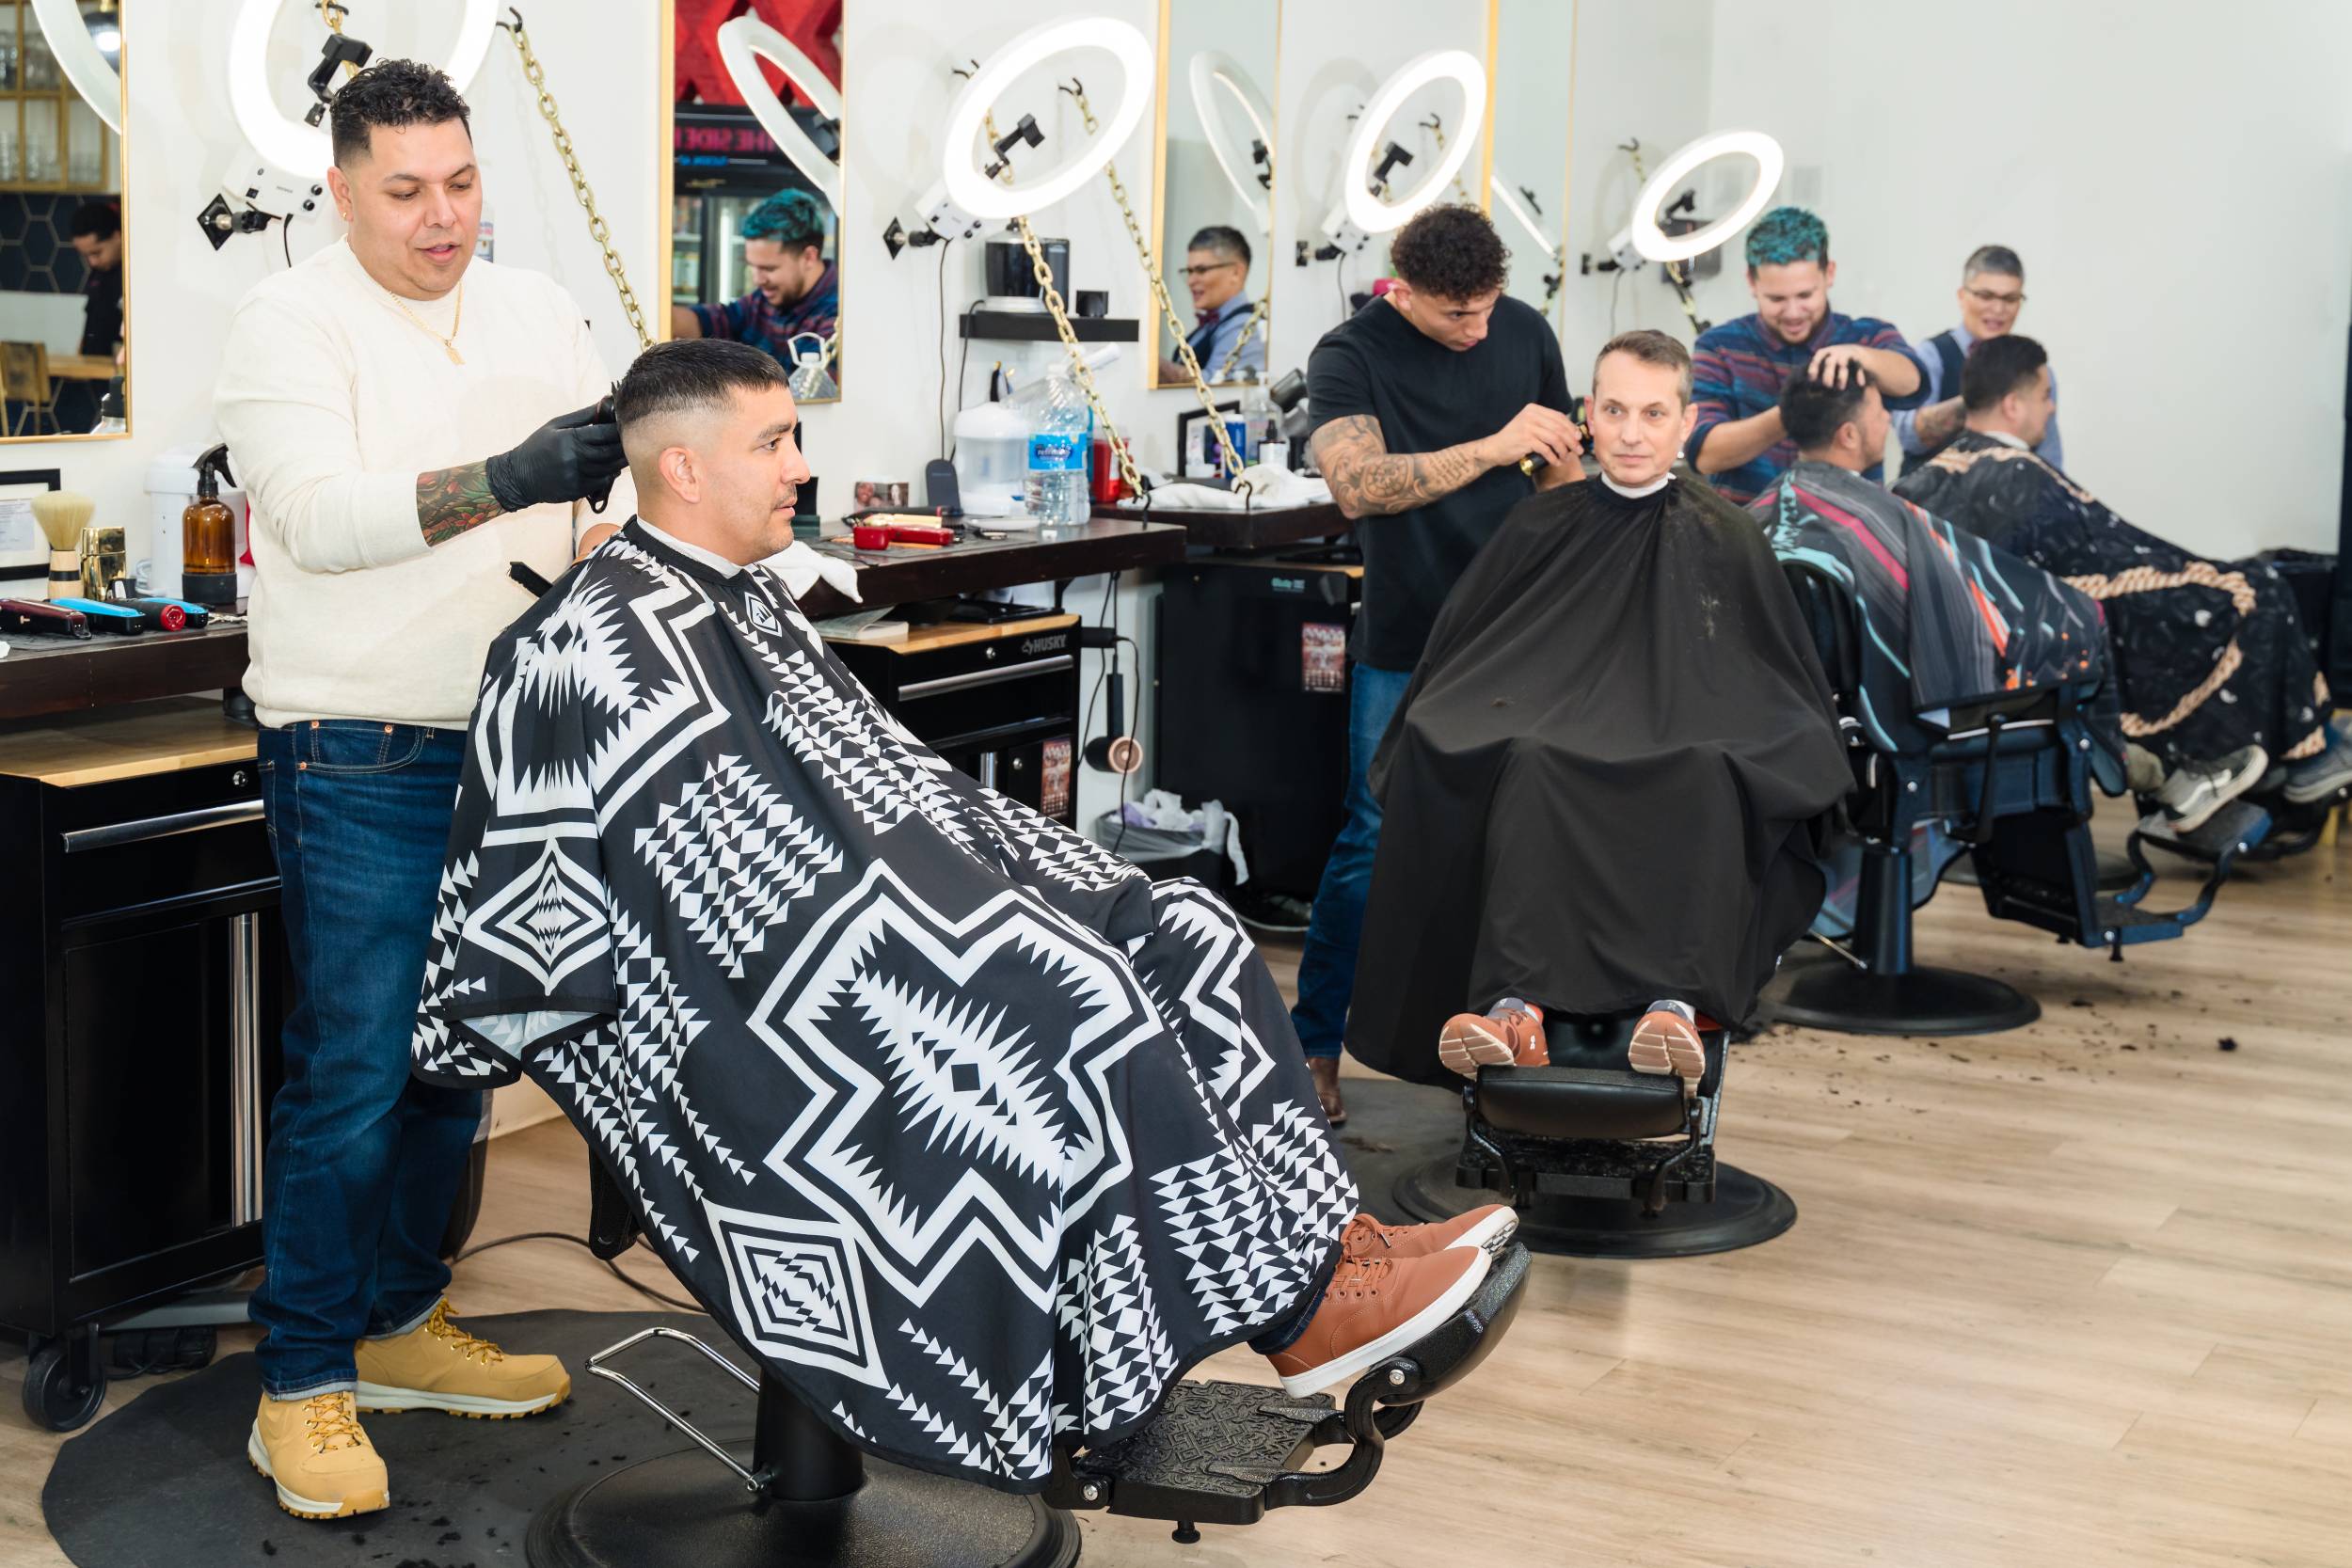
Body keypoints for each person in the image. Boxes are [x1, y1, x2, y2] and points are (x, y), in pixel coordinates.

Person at [412, 338, 1522, 1496]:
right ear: (684, 469)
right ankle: (1295, 1307)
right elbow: (622, 905)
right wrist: (964, 926)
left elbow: (888, 798)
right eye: (774, 442)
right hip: (753, 1004)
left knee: (1185, 930)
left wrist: (1026, 891)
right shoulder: (577, 644)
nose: (802, 465)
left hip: (863, 932)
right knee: (1078, 998)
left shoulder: (739, 598)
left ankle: (1320, 1251)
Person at [213, 58, 637, 1523]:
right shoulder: (289, 319)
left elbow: (604, 489)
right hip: (360, 746)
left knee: (462, 1058)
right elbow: (319, 522)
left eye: (460, 182)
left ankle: (398, 1319)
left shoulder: (533, 307)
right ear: (340, 189)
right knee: (357, 1072)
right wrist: (511, 473)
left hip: (521, 739)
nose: (442, 217)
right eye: (405, 191)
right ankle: (303, 1380)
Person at [1346, 330, 1851, 1091]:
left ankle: (1675, 1010)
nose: (1632, 432)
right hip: (1551, 733)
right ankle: (1514, 1013)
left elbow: (1775, 685)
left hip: (1690, 740)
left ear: (1687, 421)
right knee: (1528, 762)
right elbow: (1471, 659)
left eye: (1653, 413)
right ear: (1588, 413)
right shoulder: (1539, 524)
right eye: (1614, 410)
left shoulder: (1729, 535)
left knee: (1709, 770)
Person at [1293, 202, 1583, 1125]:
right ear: (1402, 291)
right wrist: (1492, 447)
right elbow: (1359, 485)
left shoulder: (1524, 330)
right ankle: (1313, 1048)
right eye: (1458, 313)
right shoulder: (1350, 354)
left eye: (1489, 305)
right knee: (1371, 842)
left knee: (1514, 839)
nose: (1479, 328)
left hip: (1520, 634)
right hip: (1408, 641)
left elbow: (1556, 475)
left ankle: (1495, 1047)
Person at [1774, 372, 2266, 832]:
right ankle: (2163, 782)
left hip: (1817, 719)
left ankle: (2159, 779)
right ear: (1848, 435)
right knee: (2075, 655)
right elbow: (1964, 617)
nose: (1888, 421)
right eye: (1880, 410)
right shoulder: (1882, 520)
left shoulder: (1768, 511)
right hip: (1898, 717)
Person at [1895, 335, 2352, 807]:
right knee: (2262, 589)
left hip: (1957, 677)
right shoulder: (2021, 476)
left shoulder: (1915, 485)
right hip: (2044, 659)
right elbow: (2126, 561)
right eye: (2045, 396)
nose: (2050, 410)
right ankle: (2300, 762)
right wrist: (2226, 575)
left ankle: (2257, 769)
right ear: (2013, 405)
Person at [1688, 206, 1927, 505]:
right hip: (1747, 536)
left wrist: (1859, 356)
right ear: (1751, 281)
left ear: (1829, 274)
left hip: (1852, 528)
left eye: (1805, 296)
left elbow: (1912, 381)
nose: (1792, 313)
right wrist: (1795, 412)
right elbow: (1705, 455)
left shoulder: (1867, 336)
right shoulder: (1718, 347)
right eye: (1776, 299)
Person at [1892, 245, 2063, 470]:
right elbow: (1909, 437)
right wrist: (1982, 399)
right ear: (1962, 296)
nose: (1998, 308)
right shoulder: (1932, 355)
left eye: (2010, 298)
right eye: (1986, 296)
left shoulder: (2037, 371)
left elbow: (2050, 459)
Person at [670, 187, 837, 366]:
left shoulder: (839, 317)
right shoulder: (763, 301)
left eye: (769, 268)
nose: (758, 279)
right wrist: (669, 318)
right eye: (752, 266)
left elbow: (810, 388)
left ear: (808, 257)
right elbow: (718, 319)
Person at [1157, 224, 1263, 383]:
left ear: (1236, 272)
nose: (1191, 281)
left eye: (1201, 270)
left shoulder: (1247, 327)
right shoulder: (1210, 326)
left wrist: (1152, 361)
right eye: (1189, 271)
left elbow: (1212, 388)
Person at [67, 199, 122, 358]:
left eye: (97, 253)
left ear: (117, 236)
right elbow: (91, 322)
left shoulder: (133, 274)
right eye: (86, 255)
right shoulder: (99, 272)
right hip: (92, 370)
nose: (92, 262)